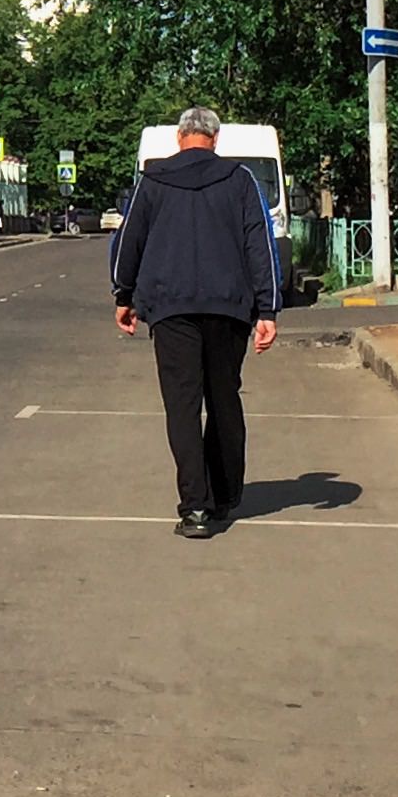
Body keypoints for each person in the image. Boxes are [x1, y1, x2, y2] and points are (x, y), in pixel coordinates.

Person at [110, 106, 280, 539]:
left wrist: (123, 295)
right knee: (224, 398)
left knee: (183, 406)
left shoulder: (153, 181)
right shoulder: (239, 180)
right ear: (215, 139)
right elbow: (259, 246)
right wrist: (268, 310)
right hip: (229, 309)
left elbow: (130, 241)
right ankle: (224, 495)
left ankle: (196, 509)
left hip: (171, 310)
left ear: (180, 138)